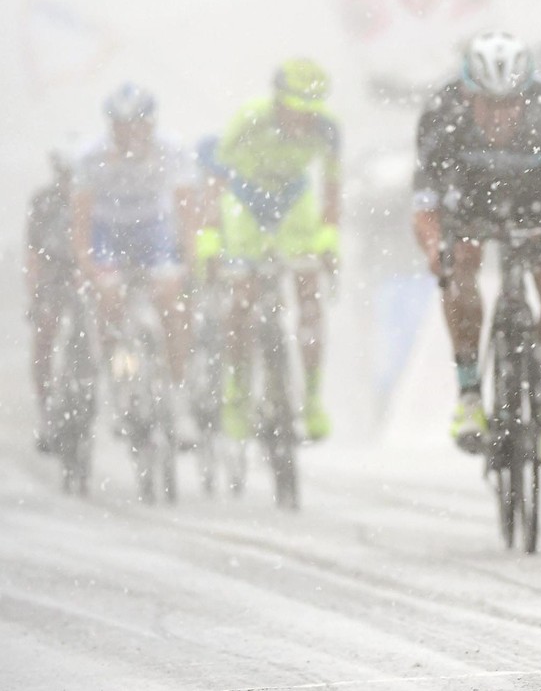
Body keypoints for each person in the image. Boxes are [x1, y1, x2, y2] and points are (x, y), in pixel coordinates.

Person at [412, 30, 541, 467]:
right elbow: (424, 205)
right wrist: (434, 248)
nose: (499, 116)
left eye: (509, 104)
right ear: (468, 94)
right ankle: (469, 393)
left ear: (526, 95)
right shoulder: (442, 113)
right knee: (459, 260)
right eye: (489, 104)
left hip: (538, 198)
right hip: (471, 197)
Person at [205, 58, 341, 442]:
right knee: (242, 297)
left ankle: (312, 399)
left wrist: (328, 237)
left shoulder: (329, 130)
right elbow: (215, 181)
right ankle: (237, 390)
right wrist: (210, 237)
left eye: (311, 113)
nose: (303, 123)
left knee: (308, 292)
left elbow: (331, 187)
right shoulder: (249, 120)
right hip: (246, 202)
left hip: (292, 202)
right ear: (278, 102)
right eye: (296, 111)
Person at [71, 84, 198, 439]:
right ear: (110, 126)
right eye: (121, 126)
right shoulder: (90, 156)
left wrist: (189, 261)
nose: (130, 134)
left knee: (171, 304)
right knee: (109, 300)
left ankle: (178, 396)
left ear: (151, 124)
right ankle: (119, 387)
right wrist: (88, 266)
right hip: (107, 232)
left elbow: (187, 213)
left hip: (153, 232)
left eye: (138, 125)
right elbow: (81, 221)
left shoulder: (172, 150)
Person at [26, 149, 83, 452]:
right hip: (53, 276)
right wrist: (35, 290)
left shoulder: (91, 195)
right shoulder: (43, 202)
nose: (68, 180)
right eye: (63, 172)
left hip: (84, 275)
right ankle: (46, 409)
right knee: (44, 334)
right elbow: (33, 252)